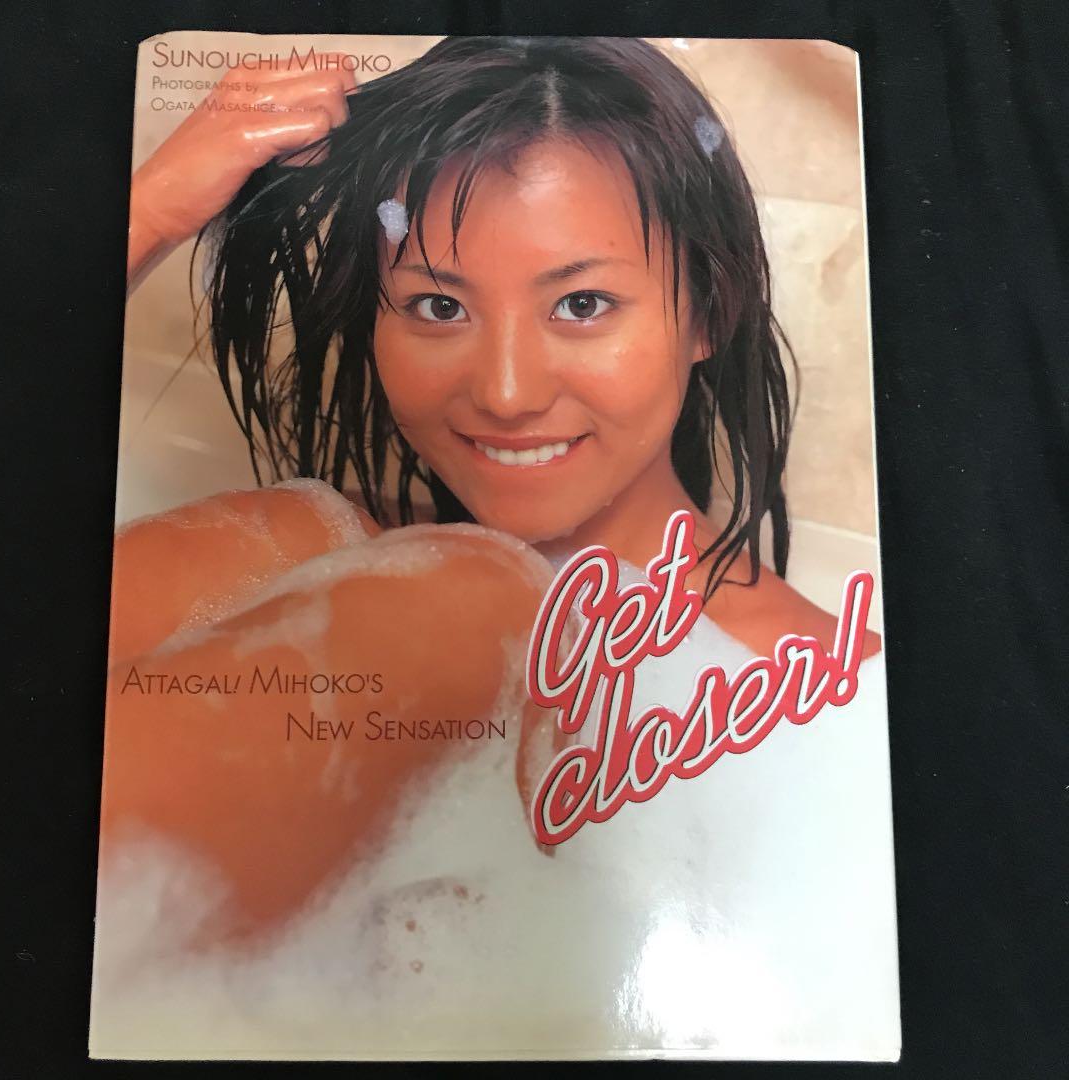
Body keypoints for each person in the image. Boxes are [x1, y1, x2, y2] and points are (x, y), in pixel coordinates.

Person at [107, 36, 880, 942]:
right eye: (439, 307)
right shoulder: (292, 551)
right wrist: (149, 209)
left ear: (710, 310)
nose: (506, 393)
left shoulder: (836, 718)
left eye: (582, 305)